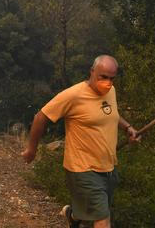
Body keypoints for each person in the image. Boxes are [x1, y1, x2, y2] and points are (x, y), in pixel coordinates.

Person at [21, 55, 139, 228]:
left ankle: (73, 216)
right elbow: (41, 117)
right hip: (82, 168)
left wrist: (128, 128)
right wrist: (32, 149)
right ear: (92, 71)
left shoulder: (110, 91)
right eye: (103, 77)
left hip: (108, 167)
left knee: (91, 211)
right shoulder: (73, 95)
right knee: (102, 218)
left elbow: (111, 114)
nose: (108, 82)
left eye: (112, 78)